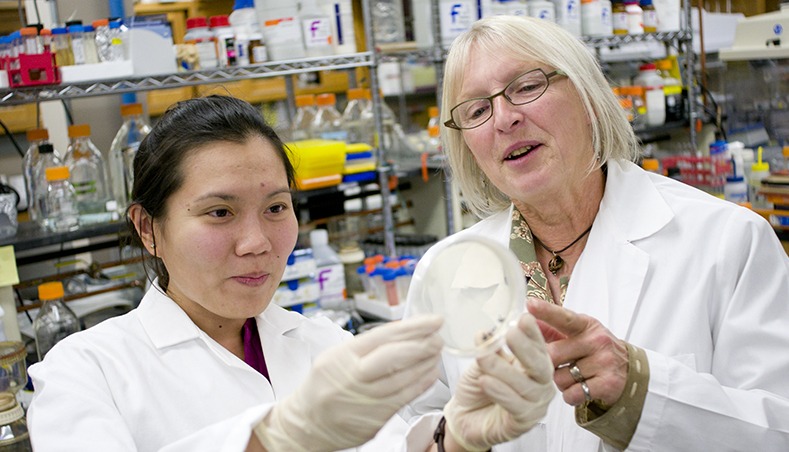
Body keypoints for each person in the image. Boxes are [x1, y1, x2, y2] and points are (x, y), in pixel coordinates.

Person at [26, 95, 554, 452]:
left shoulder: (323, 342)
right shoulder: (84, 373)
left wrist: (456, 437)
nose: (257, 242)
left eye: (276, 208)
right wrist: (275, 437)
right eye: (219, 213)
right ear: (148, 229)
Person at [403, 15, 789, 452]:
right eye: (477, 110)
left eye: (526, 86)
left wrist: (642, 391)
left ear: (589, 99)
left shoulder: (729, 242)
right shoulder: (444, 274)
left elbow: (787, 430)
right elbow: (410, 425)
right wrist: (453, 439)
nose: (504, 118)